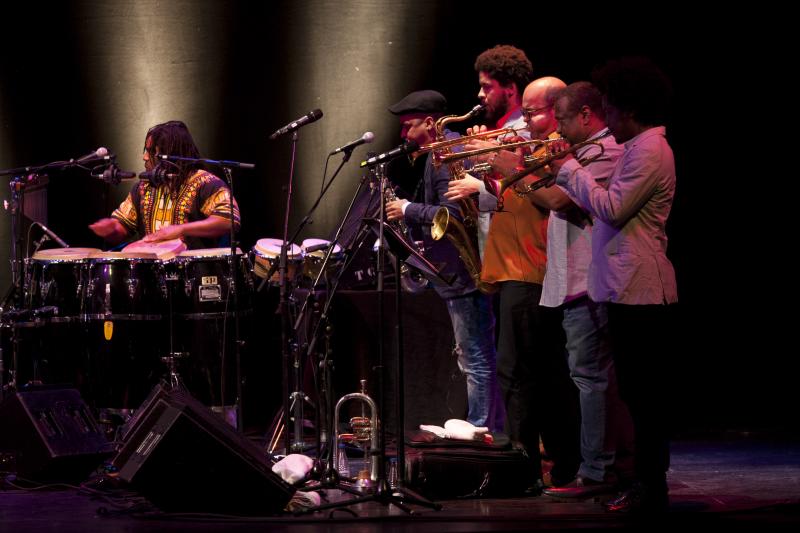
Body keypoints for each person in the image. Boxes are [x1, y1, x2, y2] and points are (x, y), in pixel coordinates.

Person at [550, 58, 677, 513]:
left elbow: (612, 207)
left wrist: (569, 169)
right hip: (625, 287)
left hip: (641, 288)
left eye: (610, 107)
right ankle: (644, 483)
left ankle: (650, 486)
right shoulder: (641, 146)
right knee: (635, 392)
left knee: (645, 397)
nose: (607, 115)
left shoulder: (647, 150)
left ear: (628, 108)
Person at [448, 76, 582, 489]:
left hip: (531, 269)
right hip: (510, 268)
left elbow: (550, 202)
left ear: (557, 108)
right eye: (523, 111)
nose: (524, 120)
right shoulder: (531, 147)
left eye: (532, 112)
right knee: (528, 373)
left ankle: (527, 468)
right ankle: (541, 464)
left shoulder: (558, 148)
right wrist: (481, 163)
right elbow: (504, 195)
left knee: (521, 374)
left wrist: (510, 167)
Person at [530, 82, 632, 499]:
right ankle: (600, 468)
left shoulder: (606, 153)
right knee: (587, 376)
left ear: (587, 115)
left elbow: (558, 200)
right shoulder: (584, 153)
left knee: (591, 379)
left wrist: (513, 169)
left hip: (590, 280)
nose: (560, 131)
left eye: (566, 122)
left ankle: (596, 473)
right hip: (573, 281)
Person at [384, 90, 501, 431]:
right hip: (455, 273)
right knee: (472, 355)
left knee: (475, 357)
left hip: (465, 272)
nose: (404, 135)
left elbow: (451, 217)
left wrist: (406, 209)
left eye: (409, 126)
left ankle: (481, 428)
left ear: (431, 123)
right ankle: (481, 424)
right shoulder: (436, 157)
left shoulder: (448, 156)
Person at [90, 120, 240, 249]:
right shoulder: (143, 187)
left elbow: (229, 221)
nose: (144, 157)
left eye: (150, 151)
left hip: (195, 277)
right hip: (152, 276)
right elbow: (122, 228)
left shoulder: (206, 183)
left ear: (170, 154)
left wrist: (181, 229)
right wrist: (111, 229)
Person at [446, 45, 533, 256]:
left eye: (487, 87)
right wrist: (477, 159)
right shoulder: (500, 128)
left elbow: (530, 192)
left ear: (510, 89)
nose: (479, 94)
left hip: (519, 249)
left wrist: (477, 187)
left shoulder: (525, 130)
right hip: (501, 245)